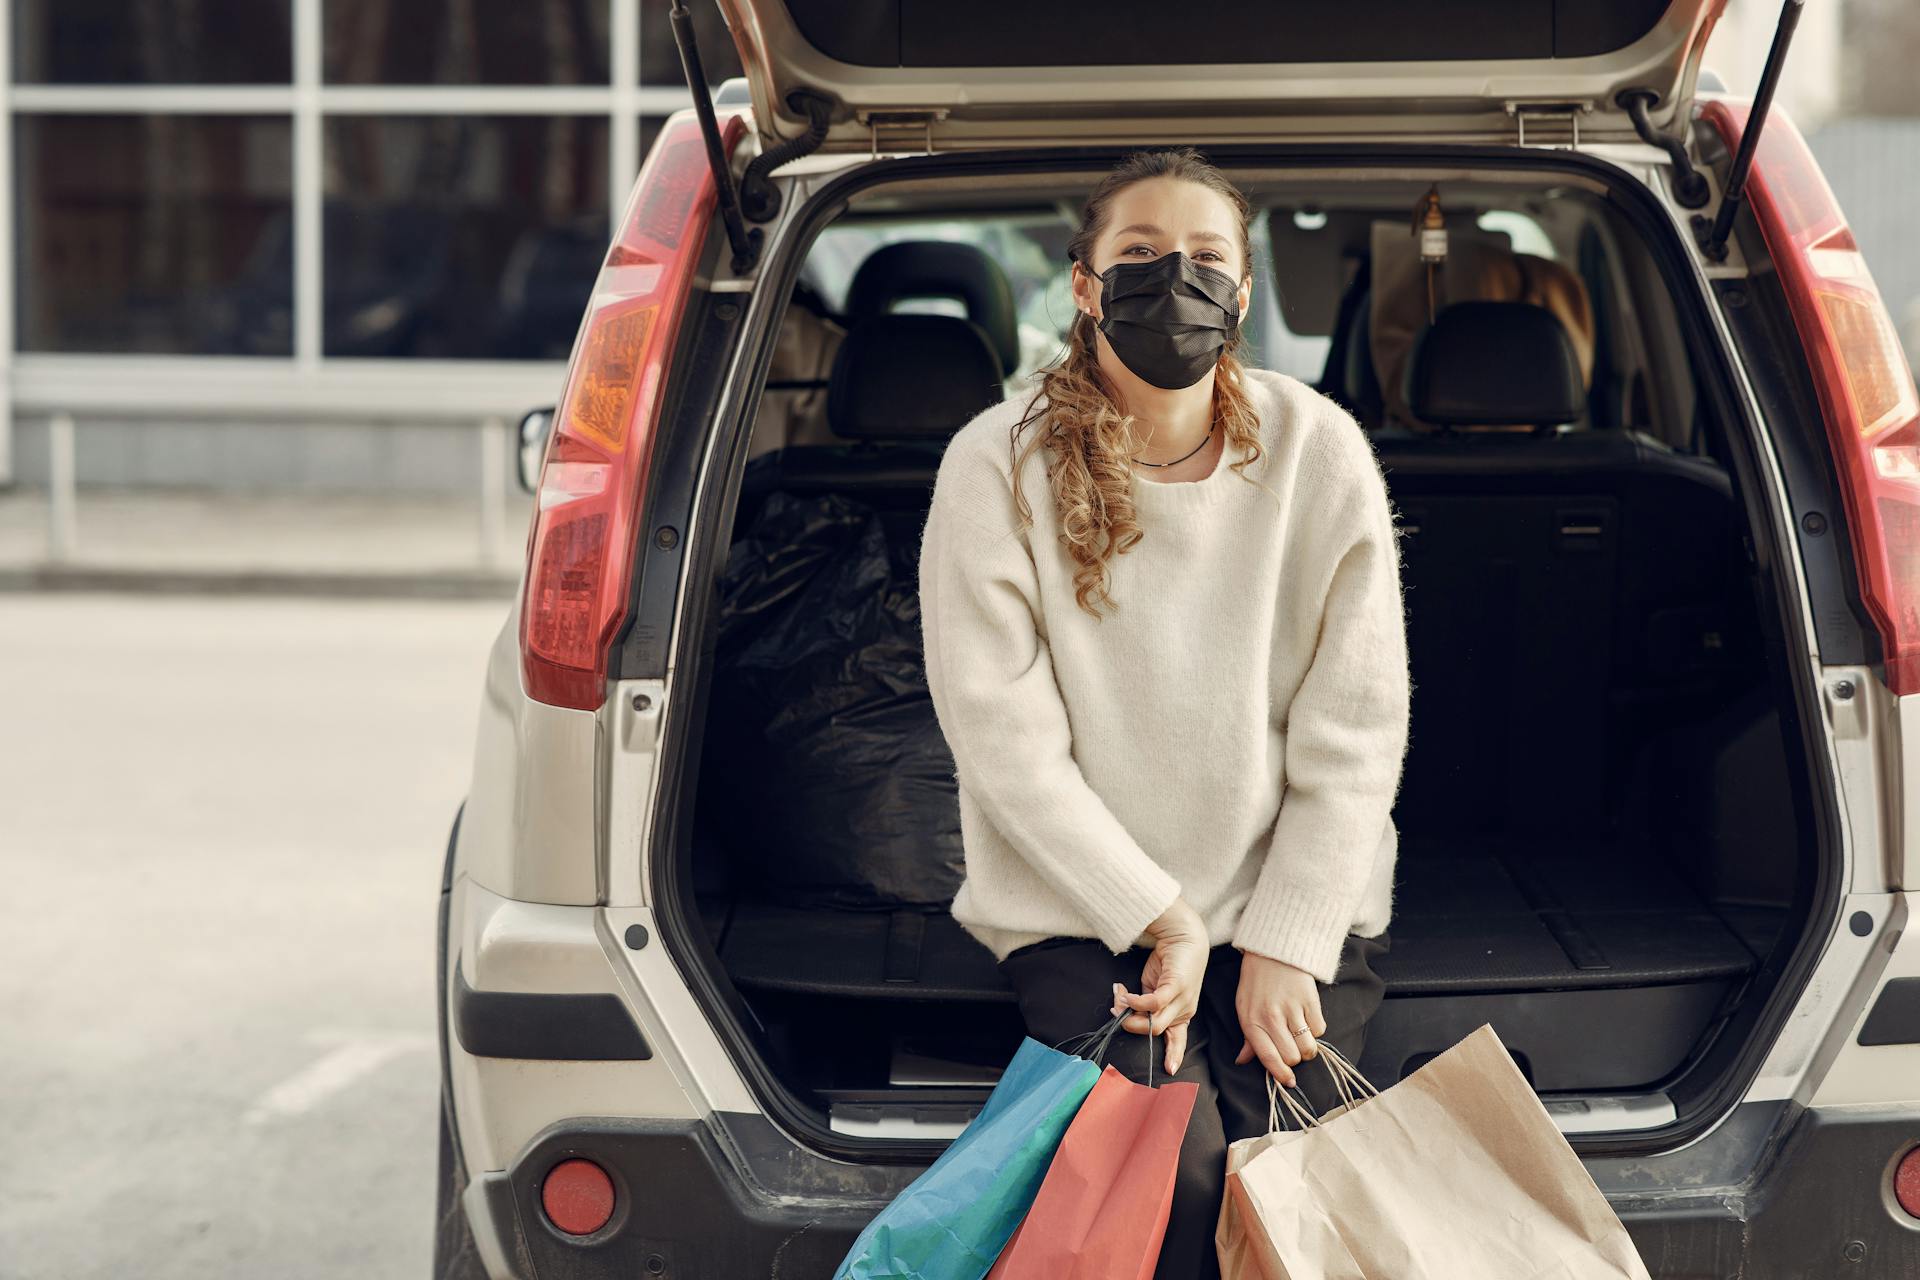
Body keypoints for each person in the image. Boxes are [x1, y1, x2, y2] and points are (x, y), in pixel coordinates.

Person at [917, 147, 1412, 1280]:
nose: (1173, 280)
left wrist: (1286, 937)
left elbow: (1357, 724)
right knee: (1167, 1173)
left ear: (1241, 292)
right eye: (1139, 255)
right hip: (1087, 910)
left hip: (1289, 897)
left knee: (1283, 1168)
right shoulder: (992, 465)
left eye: (1205, 259)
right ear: (1084, 284)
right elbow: (1004, 740)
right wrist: (1161, 917)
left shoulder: (1317, 449)